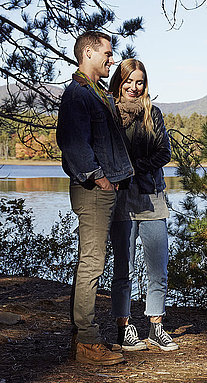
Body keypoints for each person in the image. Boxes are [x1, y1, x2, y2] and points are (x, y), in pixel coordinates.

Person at [56, 31, 133, 365]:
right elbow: (71, 141)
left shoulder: (95, 93)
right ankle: (87, 342)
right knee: (92, 263)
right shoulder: (77, 93)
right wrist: (99, 178)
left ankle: (80, 337)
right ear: (87, 53)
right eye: (108, 53)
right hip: (93, 192)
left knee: (89, 261)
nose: (112, 59)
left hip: (102, 189)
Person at [108, 59, 178, 352]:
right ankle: (124, 328)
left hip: (152, 198)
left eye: (139, 82)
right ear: (119, 82)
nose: (134, 88)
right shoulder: (108, 113)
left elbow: (165, 152)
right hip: (121, 198)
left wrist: (136, 168)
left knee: (157, 267)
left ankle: (156, 326)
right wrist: (124, 174)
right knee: (123, 267)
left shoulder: (154, 114)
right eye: (128, 82)